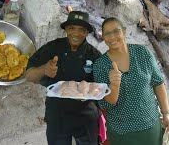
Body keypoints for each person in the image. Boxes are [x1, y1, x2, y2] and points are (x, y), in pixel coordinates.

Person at [26, 11, 102, 145]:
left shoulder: (95, 56)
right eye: (71, 28)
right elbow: (29, 76)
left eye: (81, 30)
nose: (76, 33)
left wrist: (92, 93)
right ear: (65, 29)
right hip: (57, 114)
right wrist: (44, 69)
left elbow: (102, 88)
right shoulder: (53, 47)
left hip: (85, 115)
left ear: (87, 33)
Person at [93, 17, 169, 145]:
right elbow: (106, 104)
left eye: (116, 31)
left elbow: (158, 83)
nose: (112, 37)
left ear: (124, 31)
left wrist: (166, 112)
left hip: (150, 125)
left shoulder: (142, 52)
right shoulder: (100, 65)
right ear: (103, 37)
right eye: (107, 33)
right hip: (122, 132)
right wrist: (115, 85)